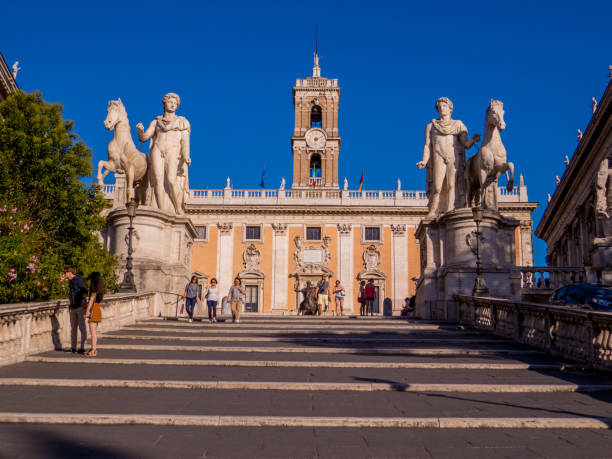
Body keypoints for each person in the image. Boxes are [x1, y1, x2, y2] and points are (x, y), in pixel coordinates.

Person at [417, 97, 480, 216]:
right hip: (438, 157)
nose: (442, 108)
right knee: (437, 186)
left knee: (452, 185)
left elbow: (465, 144)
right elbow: (427, 145)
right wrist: (424, 161)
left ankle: (451, 211)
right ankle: (433, 210)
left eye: (444, 106)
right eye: (440, 107)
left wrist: (472, 140)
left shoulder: (458, 124)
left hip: (453, 157)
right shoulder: (431, 126)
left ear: (450, 108)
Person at [136, 93, 191, 214]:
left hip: (173, 150)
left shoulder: (182, 121)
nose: (172, 105)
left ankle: (177, 208)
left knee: (171, 179)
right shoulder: (156, 122)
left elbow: (185, 141)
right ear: (164, 103)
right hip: (157, 149)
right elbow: (144, 137)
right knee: (157, 180)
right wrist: (140, 131)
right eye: (170, 102)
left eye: (175, 103)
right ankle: (161, 211)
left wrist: (186, 155)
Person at [64, 266, 88, 354]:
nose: (64, 274)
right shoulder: (71, 281)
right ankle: (73, 347)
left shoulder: (79, 280)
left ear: (69, 273)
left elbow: (85, 291)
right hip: (73, 306)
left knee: (82, 327)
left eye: (65, 273)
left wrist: (81, 301)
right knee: (73, 328)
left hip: (80, 307)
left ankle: (83, 347)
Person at [84, 272, 104, 357]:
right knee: (94, 331)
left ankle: (93, 349)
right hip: (97, 308)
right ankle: (94, 349)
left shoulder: (94, 289)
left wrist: (87, 311)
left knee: (92, 332)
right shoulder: (100, 289)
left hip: (93, 309)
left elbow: (91, 301)